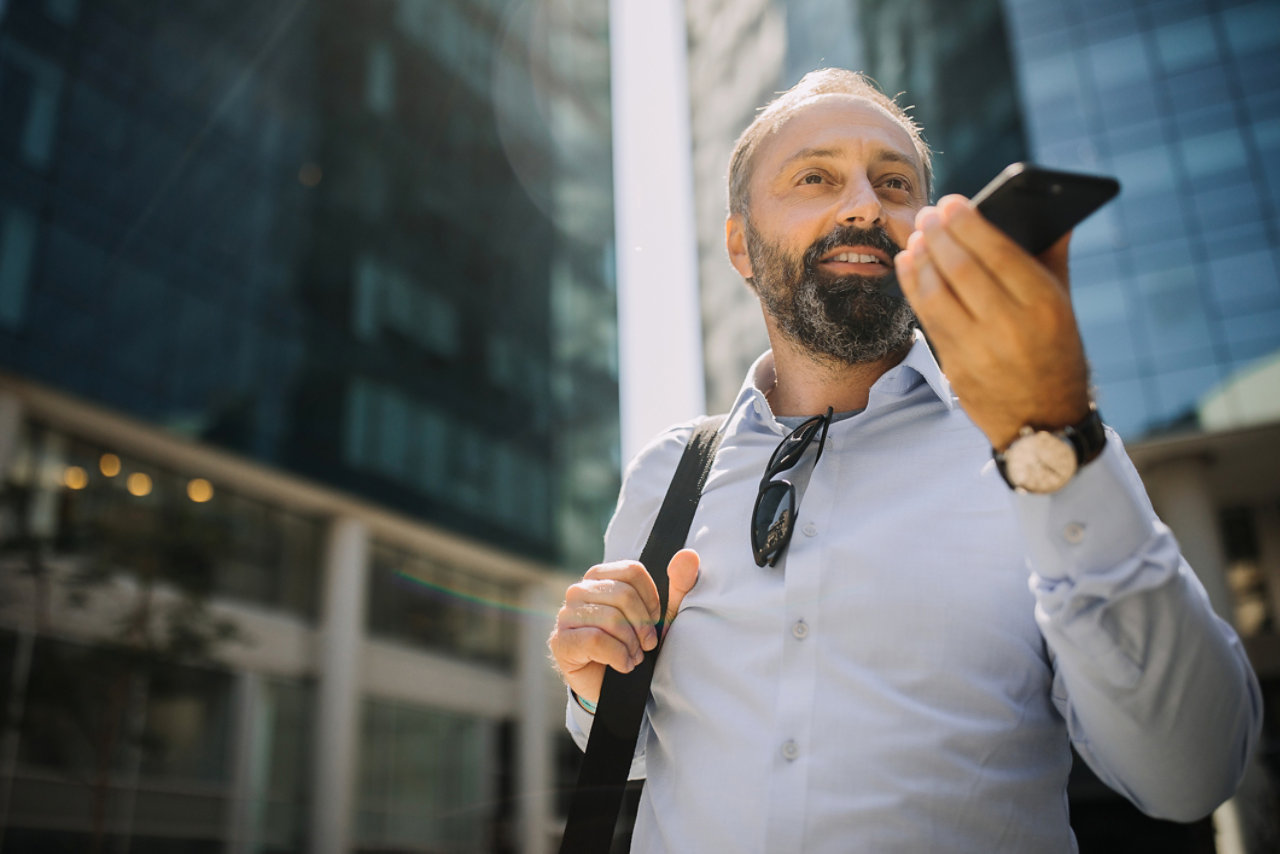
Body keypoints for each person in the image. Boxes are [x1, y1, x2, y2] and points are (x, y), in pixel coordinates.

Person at [547, 68, 1261, 853]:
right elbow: (651, 745)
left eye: (894, 184)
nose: (863, 207)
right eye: (815, 177)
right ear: (740, 245)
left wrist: (1060, 439)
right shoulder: (667, 474)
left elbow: (1191, 775)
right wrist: (596, 687)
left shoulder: (1043, 453)